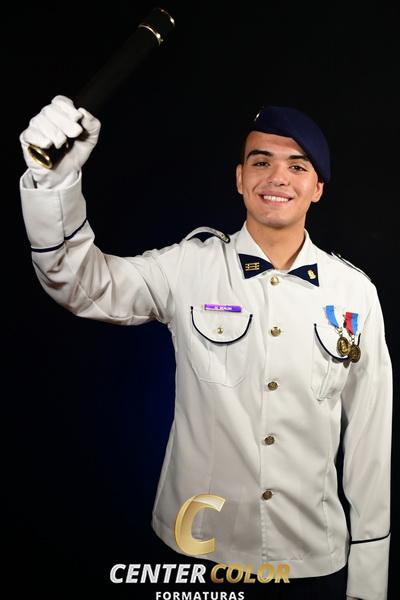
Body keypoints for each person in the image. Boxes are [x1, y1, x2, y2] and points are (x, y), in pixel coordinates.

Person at [19, 96, 392, 600]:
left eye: (297, 166)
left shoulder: (354, 293)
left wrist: (368, 580)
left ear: (317, 187)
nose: (277, 177)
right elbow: (79, 282)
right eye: (261, 162)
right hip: (196, 553)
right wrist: (54, 183)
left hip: (313, 562)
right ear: (240, 178)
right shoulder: (188, 267)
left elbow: (371, 438)